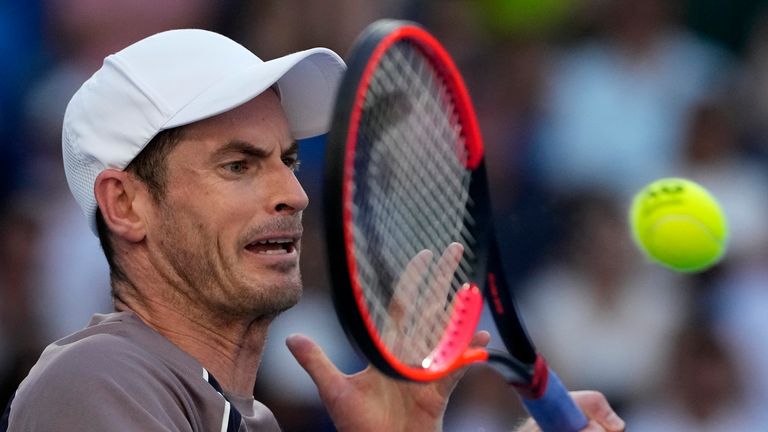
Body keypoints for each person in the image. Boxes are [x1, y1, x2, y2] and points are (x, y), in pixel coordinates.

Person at [0, 29, 625, 431]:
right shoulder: (96, 381)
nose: (294, 194)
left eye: (289, 161)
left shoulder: (254, 420)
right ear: (126, 204)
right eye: (239, 165)